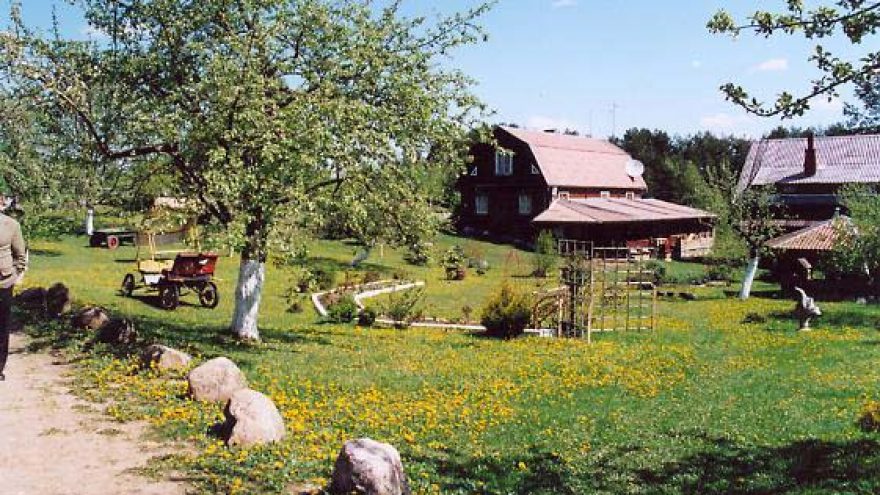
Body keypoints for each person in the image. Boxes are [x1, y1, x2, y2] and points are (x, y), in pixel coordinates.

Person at [0, 188, 27, 381]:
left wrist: (14, 276)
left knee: (2, 326)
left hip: (3, 283)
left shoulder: (11, 225)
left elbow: (20, 256)